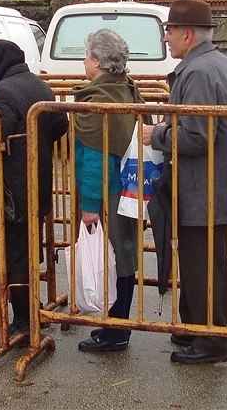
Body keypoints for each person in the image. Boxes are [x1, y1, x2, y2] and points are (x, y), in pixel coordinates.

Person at [142, 0, 227, 364]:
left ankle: (211, 343)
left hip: (206, 186)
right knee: (204, 259)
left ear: (188, 35)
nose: (166, 38)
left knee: (203, 263)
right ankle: (197, 328)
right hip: (215, 182)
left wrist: (156, 135)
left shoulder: (197, 72)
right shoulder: (216, 62)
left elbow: (196, 137)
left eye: (170, 31)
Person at [0, 40, 68, 343]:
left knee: (12, 256)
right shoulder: (38, 85)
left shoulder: (1, 92)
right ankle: (31, 313)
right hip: (37, 183)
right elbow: (60, 124)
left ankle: (24, 322)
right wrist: (35, 143)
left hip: (11, 190)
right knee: (25, 250)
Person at [73, 29, 146, 352]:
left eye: (87, 56)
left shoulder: (97, 101)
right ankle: (119, 325)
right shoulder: (129, 91)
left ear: (99, 61)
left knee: (112, 257)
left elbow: (94, 159)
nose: (84, 62)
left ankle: (114, 329)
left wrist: (89, 205)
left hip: (110, 192)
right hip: (131, 188)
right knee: (125, 255)